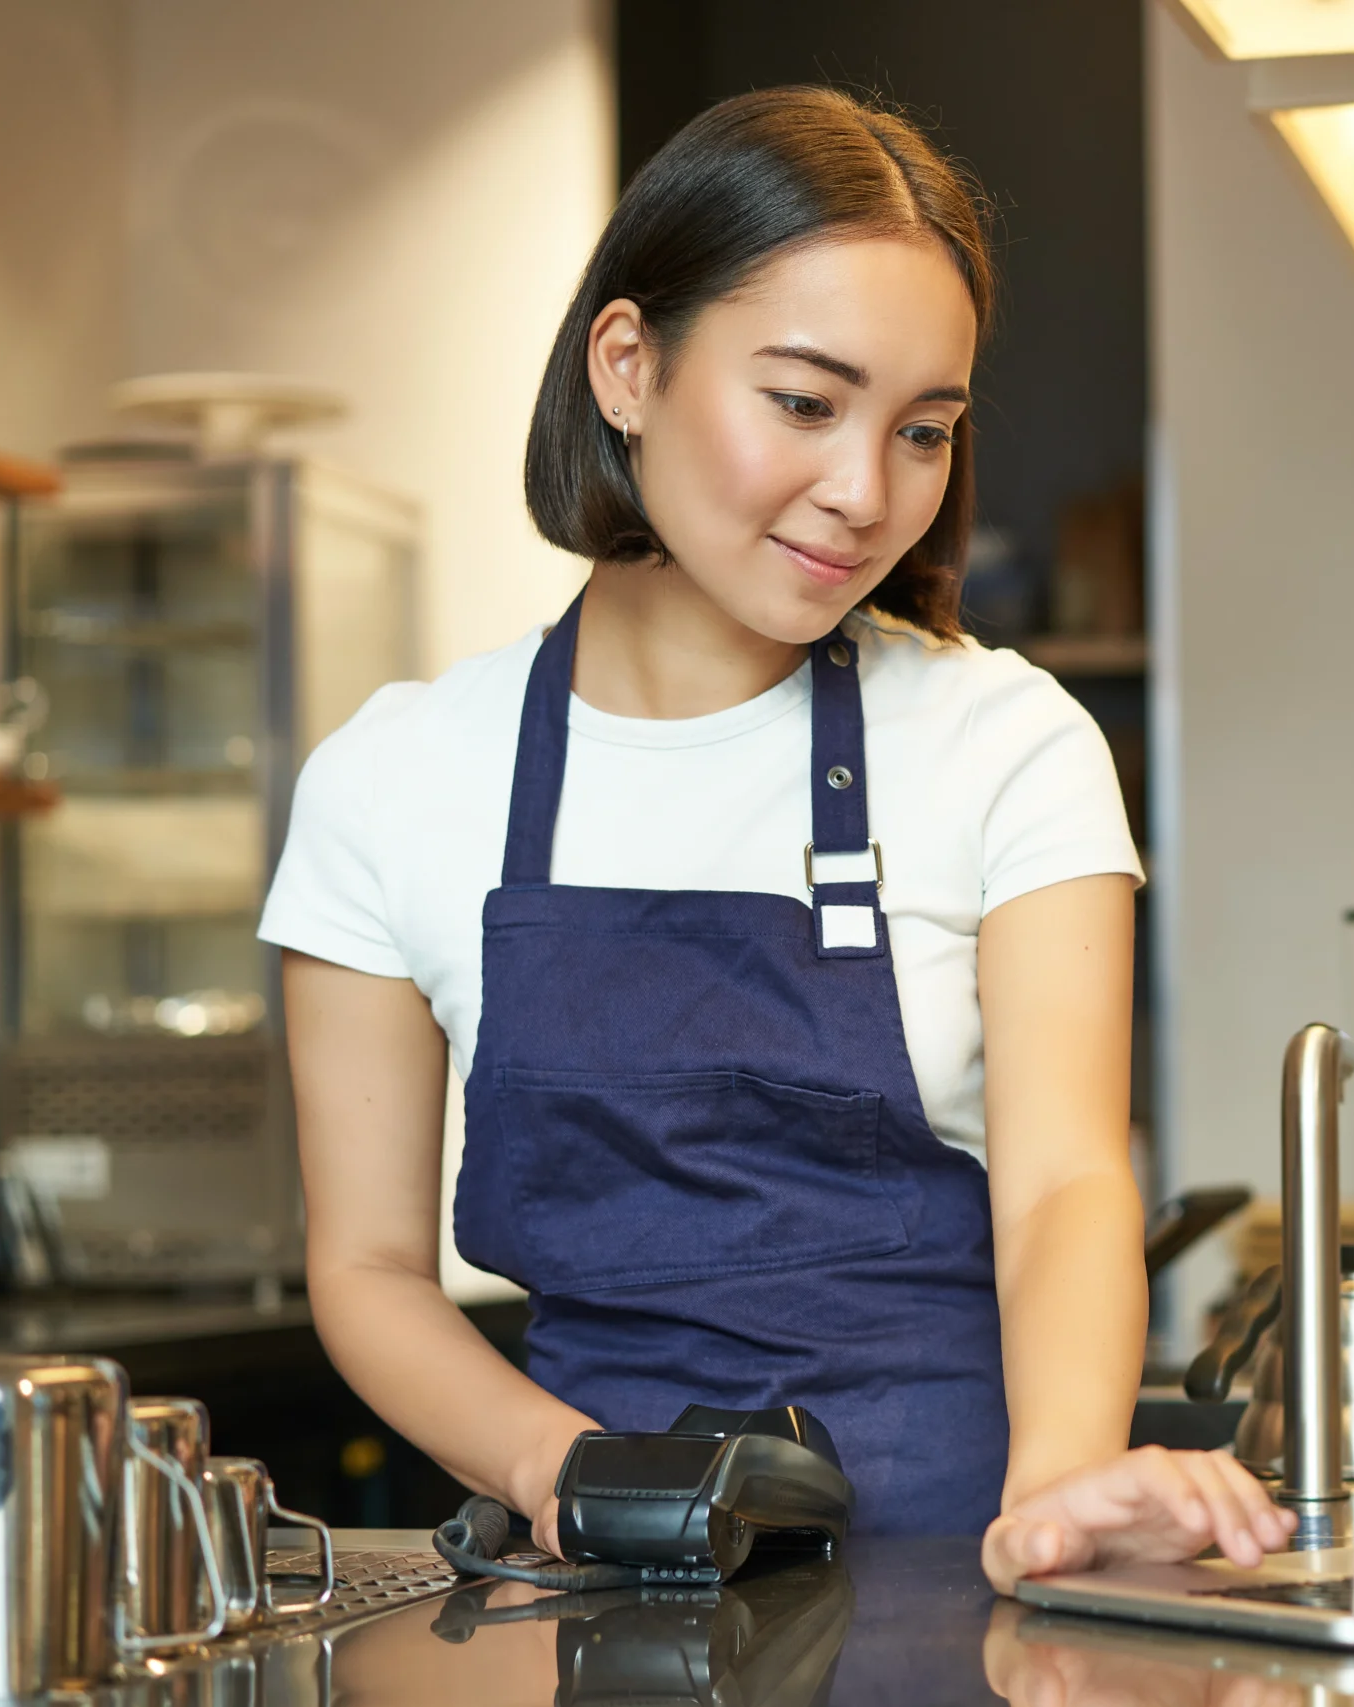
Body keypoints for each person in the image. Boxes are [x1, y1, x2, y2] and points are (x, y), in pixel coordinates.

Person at [261, 87, 1292, 1594]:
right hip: (590, 1586)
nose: (865, 493)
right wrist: (569, 1473)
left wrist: (1060, 1489)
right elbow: (362, 1269)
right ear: (629, 364)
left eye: (923, 430)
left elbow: (1068, 1180)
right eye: (805, 403)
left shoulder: (1006, 744)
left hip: (963, 1575)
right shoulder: (394, 780)